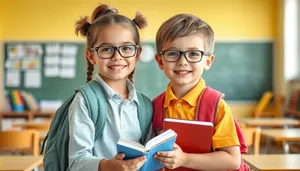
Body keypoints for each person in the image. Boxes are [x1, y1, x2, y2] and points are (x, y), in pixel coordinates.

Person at [69, 4, 152, 171]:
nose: (117, 56)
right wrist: (108, 166)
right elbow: (76, 161)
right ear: (91, 56)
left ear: (137, 55)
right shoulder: (85, 100)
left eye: (126, 48)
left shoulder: (145, 104)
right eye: (106, 49)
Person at [153, 14, 241, 170]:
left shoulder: (217, 107)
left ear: (208, 61)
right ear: (160, 61)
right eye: (173, 53)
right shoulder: (154, 106)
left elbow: (232, 161)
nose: (182, 61)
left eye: (193, 54)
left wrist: (184, 159)